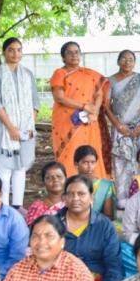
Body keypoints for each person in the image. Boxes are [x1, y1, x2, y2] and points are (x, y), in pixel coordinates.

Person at [0, 37, 39, 209]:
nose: (15, 53)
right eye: (11, 50)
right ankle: (4, 207)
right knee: (4, 170)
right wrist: (11, 128)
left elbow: (35, 103)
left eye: (19, 49)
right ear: (4, 52)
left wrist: (28, 127)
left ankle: (17, 206)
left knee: (20, 168)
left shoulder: (28, 74)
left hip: (25, 129)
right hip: (4, 130)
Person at [59, 174, 122, 281]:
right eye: (71, 194)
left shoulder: (104, 225)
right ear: (64, 198)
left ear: (91, 198)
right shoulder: (54, 224)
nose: (76, 198)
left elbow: (113, 263)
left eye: (81, 194)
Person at [104, 49, 140, 210]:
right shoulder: (110, 81)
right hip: (120, 128)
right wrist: (118, 125)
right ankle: (122, 197)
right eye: (124, 59)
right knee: (121, 161)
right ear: (118, 61)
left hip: (139, 128)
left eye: (130, 59)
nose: (127, 62)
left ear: (135, 62)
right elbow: (106, 106)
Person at [51, 41, 107, 178]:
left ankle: (93, 187)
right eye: (69, 52)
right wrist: (84, 106)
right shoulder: (60, 73)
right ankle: (68, 183)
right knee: (69, 151)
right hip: (67, 121)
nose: (74, 55)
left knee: (91, 151)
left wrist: (95, 111)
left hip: (89, 120)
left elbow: (99, 93)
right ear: (63, 57)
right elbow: (59, 97)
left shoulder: (89, 74)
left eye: (76, 52)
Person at [74, 145, 114, 219]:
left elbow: (108, 216)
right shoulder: (70, 184)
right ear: (76, 164)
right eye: (85, 163)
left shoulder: (104, 185)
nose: (90, 167)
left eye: (93, 162)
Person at [25, 161, 67, 226]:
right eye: (49, 178)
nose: (55, 180)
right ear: (43, 182)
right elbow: (32, 231)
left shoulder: (72, 202)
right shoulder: (37, 207)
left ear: (66, 179)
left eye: (59, 176)